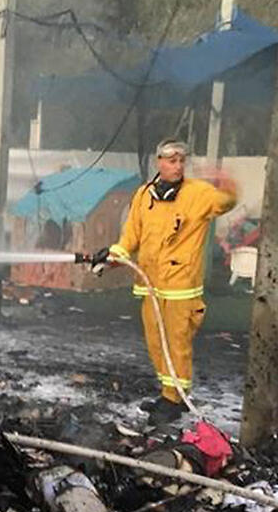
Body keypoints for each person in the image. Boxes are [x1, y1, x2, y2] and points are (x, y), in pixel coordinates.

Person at [92, 139, 237, 425]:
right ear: (159, 161)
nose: (178, 166)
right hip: (150, 284)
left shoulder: (198, 193)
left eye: (182, 160)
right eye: (172, 160)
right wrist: (113, 256)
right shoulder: (144, 195)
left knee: (177, 344)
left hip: (181, 287)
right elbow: (130, 237)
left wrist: (226, 183)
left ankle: (175, 399)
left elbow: (226, 202)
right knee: (156, 343)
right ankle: (168, 393)